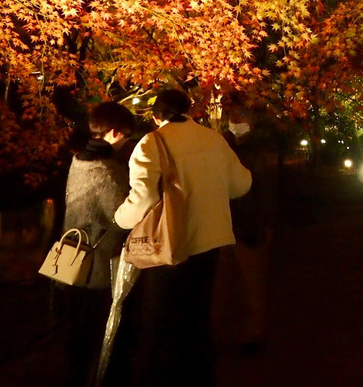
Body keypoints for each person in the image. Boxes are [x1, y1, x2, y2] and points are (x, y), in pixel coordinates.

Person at [115, 88, 251, 387]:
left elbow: (143, 199)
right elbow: (240, 184)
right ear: (189, 111)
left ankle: (166, 375)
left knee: (163, 318)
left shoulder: (151, 143)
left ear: (156, 117)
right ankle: (199, 374)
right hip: (213, 241)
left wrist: (119, 219)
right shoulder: (213, 139)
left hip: (169, 244)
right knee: (199, 313)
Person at [61, 102, 136, 387]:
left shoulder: (78, 161)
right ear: (115, 133)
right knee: (95, 333)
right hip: (96, 265)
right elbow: (122, 216)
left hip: (70, 254)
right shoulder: (108, 170)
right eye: (126, 137)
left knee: (73, 331)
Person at [215, 93, 278, 355]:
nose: (235, 118)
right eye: (232, 113)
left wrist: (266, 221)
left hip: (248, 221)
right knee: (222, 282)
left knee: (251, 281)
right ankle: (224, 331)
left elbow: (268, 187)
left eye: (241, 113)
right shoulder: (222, 144)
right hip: (223, 222)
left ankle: (253, 331)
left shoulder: (260, 147)